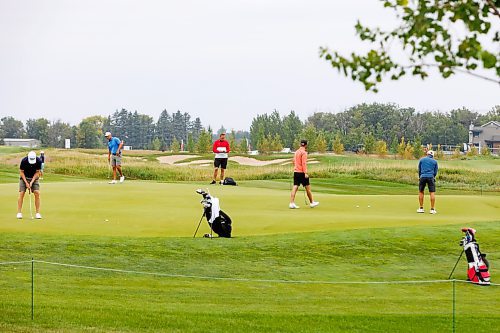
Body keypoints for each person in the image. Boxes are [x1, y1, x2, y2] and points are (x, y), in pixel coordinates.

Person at [289, 140, 319, 209]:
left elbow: (293, 161)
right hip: (302, 173)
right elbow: (304, 163)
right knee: (308, 188)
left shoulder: (296, 152)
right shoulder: (304, 153)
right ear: (306, 145)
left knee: (295, 187)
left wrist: (296, 167)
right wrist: (305, 173)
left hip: (296, 172)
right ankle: (312, 202)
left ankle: (291, 203)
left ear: (300, 144)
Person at [17, 151, 42, 219]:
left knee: (37, 193)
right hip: (24, 177)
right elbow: (21, 173)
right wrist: (26, 183)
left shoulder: (38, 161)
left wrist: (31, 182)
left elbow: (37, 173)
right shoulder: (24, 161)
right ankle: (19, 213)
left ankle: (37, 213)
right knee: (22, 193)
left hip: (34, 178)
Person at [417, 150, 438, 214]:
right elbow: (435, 171)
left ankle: (421, 208)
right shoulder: (435, 161)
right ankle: (432, 209)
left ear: (427, 154)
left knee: (421, 191)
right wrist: (433, 176)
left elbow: (419, 169)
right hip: (430, 177)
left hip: (422, 176)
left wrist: (420, 176)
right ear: (432, 155)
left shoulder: (422, 160)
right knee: (432, 192)